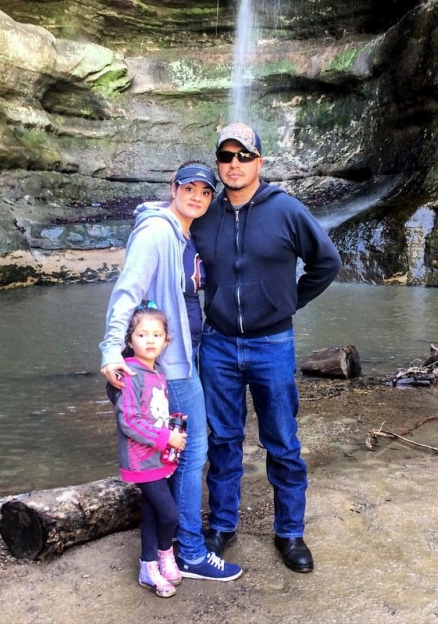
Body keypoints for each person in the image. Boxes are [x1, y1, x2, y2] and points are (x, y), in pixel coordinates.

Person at [191, 123, 342, 573]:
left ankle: (290, 533)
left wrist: (288, 302)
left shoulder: (287, 210)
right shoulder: (206, 215)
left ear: (259, 161)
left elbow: (326, 262)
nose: (234, 164)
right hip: (217, 344)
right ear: (218, 164)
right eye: (226, 157)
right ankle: (221, 525)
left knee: (282, 441)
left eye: (243, 156)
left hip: (271, 343)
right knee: (223, 440)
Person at [100, 162, 243, 583]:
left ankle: (166, 549)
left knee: (177, 455)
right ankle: (191, 552)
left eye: (204, 191)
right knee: (193, 451)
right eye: (188, 188)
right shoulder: (157, 232)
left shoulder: (182, 233)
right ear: (172, 189)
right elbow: (127, 291)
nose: (196, 196)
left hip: (187, 357)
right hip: (172, 367)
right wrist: (111, 348)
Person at [106, 302, 186, 598]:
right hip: (142, 461)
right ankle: (164, 556)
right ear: (129, 341)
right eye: (142, 335)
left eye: (156, 334)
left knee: (153, 514)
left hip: (158, 458)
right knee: (169, 514)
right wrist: (167, 439)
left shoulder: (158, 373)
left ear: (167, 340)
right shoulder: (130, 374)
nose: (150, 340)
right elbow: (128, 421)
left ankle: (149, 568)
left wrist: (172, 428)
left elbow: (153, 413)